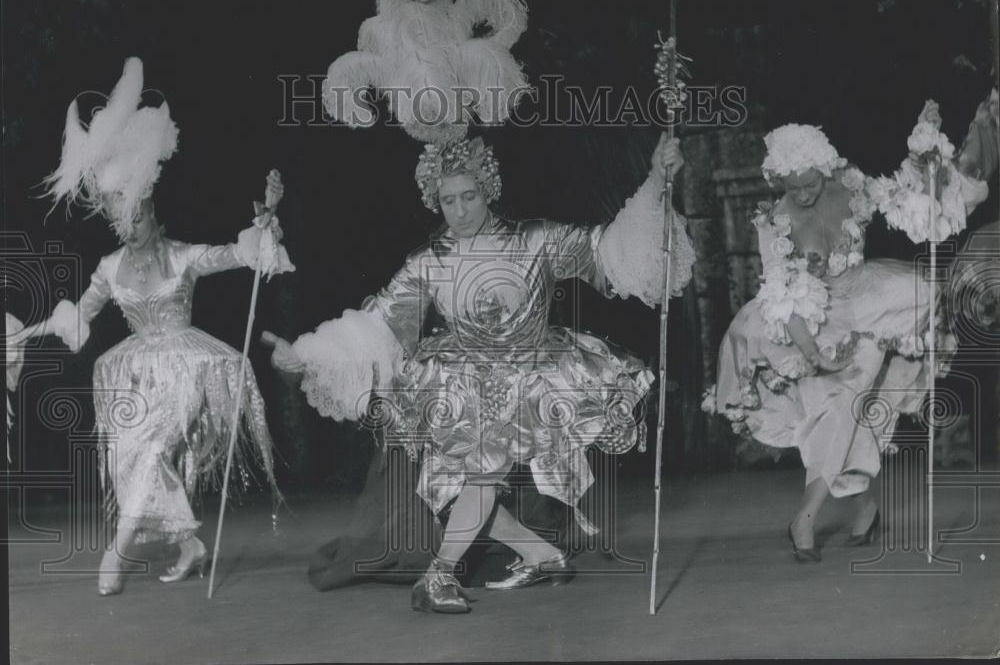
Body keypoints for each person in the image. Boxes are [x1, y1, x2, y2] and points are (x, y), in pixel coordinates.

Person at [265, 132, 694, 613]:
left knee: (481, 475)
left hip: (531, 376)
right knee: (456, 484)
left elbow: (607, 253)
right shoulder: (429, 261)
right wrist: (307, 354)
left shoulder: (536, 239)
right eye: (447, 200)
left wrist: (658, 179)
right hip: (462, 384)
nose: (460, 210)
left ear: (487, 190)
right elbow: (380, 322)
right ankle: (542, 555)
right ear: (435, 201)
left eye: (468, 196)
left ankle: (438, 575)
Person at [18, 57, 293, 595]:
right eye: (125, 218)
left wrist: (264, 225)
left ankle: (115, 555)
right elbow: (83, 314)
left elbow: (234, 255)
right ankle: (189, 541)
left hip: (186, 366)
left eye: (140, 213)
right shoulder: (108, 268)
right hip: (135, 368)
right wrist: (34, 329)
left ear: (152, 206)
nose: (134, 224)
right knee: (129, 451)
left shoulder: (182, 254)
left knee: (146, 448)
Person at [709, 123, 987, 562]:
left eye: (811, 183)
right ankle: (865, 505)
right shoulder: (774, 223)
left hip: (873, 305)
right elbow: (784, 299)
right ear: (779, 180)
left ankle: (806, 517)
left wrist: (924, 165)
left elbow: (905, 201)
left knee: (846, 408)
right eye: (792, 186)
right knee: (840, 412)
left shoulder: (850, 185)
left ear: (825, 171)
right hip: (816, 322)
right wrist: (816, 356)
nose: (802, 193)